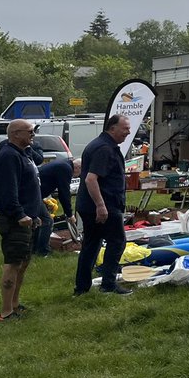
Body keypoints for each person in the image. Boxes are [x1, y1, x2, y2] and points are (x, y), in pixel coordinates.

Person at [74, 114, 133, 296]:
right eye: (125, 128)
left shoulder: (101, 144)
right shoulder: (104, 148)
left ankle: (82, 288)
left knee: (91, 245)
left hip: (90, 205)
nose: (128, 132)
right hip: (103, 206)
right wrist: (101, 206)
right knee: (117, 242)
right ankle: (108, 284)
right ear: (112, 128)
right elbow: (91, 179)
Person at [0, 119, 43, 321]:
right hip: (15, 220)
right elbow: (7, 191)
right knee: (12, 264)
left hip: (28, 218)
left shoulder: (23, 153)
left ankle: (14, 304)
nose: (33, 135)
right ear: (15, 134)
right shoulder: (8, 156)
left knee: (23, 263)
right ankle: (5, 312)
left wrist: (34, 214)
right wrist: (20, 214)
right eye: (29, 132)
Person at [34, 157, 80, 257]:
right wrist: (69, 214)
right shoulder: (66, 169)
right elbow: (64, 193)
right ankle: (42, 251)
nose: (76, 176)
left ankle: (35, 247)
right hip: (33, 195)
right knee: (47, 221)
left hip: (35, 193)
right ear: (77, 168)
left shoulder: (63, 163)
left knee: (39, 220)